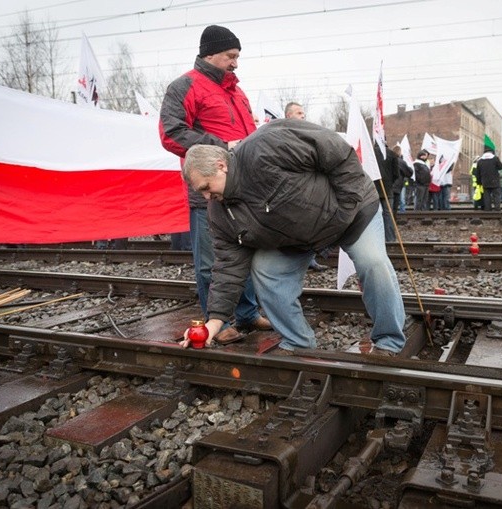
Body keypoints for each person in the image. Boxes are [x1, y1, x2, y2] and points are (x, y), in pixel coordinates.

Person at [181, 119, 407, 355]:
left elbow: (335, 151)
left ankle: (388, 341)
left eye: (206, 187)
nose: (206, 197)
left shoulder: (267, 145)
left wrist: (345, 207)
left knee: (373, 262)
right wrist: (214, 323)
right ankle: (299, 344)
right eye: (201, 192)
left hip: (352, 213)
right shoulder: (220, 213)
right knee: (266, 269)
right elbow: (228, 267)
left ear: (221, 166)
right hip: (299, 238)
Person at [160, 24, 271, 342]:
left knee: (244, 254)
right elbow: (171, 133)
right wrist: (224, 146)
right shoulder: (183, 86)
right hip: (209, 191)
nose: (236, 62)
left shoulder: (237, 91)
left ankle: (246, 315)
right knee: (211, 262)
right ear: (210, 54)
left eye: (237, 56)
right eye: (230, 56)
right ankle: (216, 323)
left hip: (242, 189)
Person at [284, 101, 328, 270]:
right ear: (289, 116)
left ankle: (309, 260)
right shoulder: (283, 134)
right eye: (299, 113)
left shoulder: (307, 133)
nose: (303, 116)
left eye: (303, 113)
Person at [374, 142, 399, 241]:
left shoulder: (371, 153)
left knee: (374, 214)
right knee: (388, 214)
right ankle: (390, 238)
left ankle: (377, 239)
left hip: (373, 189)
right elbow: (396, 173)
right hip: (387, 189)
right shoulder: (392, 154)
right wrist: (389, 182)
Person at [474, 138, 502, 211]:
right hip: (495, 181)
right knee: (496, 195)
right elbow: (501, 167)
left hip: (485, 181)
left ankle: (488, 209)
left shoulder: (480, 161)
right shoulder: (495, 158)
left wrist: (479, 182)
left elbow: (477, 173)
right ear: (491, 151)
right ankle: (497, 208)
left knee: (486, 196)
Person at [392, 145, 413, 214]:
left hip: (388, 186)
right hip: (397, 187)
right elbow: (409, 173)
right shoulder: (401, 162)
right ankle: (392, 222)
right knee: (394, 207)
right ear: (399, 152)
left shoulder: (388, 159)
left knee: (388, 208)